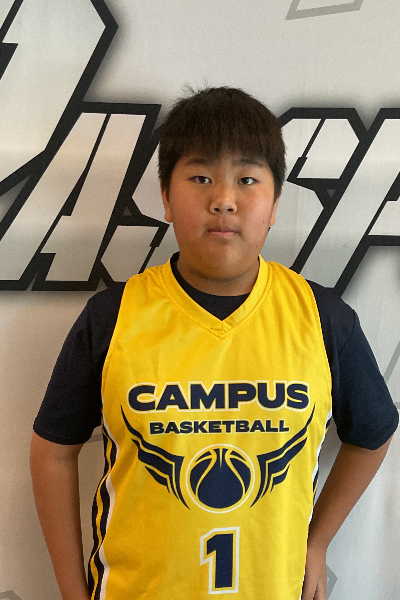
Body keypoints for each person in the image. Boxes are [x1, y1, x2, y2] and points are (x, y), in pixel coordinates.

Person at [30, 87, 398, 600]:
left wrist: (316, 542)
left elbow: (374, 432)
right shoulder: (113, 316)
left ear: (274, 202)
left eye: (247, 179)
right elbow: (52, 452)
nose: (223, 199)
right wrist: (73, 592)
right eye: (201, 177)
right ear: (165, 197)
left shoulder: (322, 318)